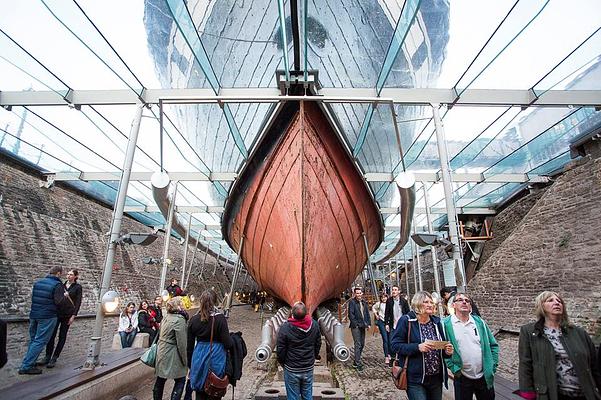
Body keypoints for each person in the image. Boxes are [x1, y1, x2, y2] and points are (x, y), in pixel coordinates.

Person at [518, 291, 601, 400]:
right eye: (550, 300)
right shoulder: (530, 332)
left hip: (584, 394)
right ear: (541, 306)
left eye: (559, 301)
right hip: (552, 394)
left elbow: (594, 364)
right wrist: (527, 392)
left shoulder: (579, 333)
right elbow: (525, 364)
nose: (557, 303)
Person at [390, 291, 454, 400]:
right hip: (415, 379)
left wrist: (447, 352)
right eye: (426, 302)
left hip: (436, 378)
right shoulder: (407, 321)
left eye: (431, 302)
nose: (430, 304)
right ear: (417, 303)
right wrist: (417, 347)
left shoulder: (436, 322)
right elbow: (395, 345)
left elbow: (442, 346)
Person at [443, 292, 498, 400]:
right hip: (462, 376)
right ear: (453, 305)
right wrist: (454, 368)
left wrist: (492, 366)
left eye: (467, 300)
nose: (464, 302)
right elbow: (443, 350)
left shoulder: (479, 322)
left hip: (484, 376)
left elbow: (493, 345)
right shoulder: (446, 324)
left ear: (470, 306)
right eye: (460, 300)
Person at [18, 266, 67, 375]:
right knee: (40, 340)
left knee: (33, 340)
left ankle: (29, 361)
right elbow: (59, 301)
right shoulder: (57, 285)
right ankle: (26, 366)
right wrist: (64, 296)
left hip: (34, 314)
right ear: (58, 273)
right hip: (47, 316)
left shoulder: (38, 283)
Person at [188, 290, 234, 399]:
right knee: (214, 387)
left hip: (198, 356)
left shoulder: (193, 320)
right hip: (215, 356)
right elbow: (228, 343)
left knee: (200, 391)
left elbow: (189, 346)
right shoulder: (220, 319)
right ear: (215, 301)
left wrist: (190, 365)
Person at [277, 301, 322, 400]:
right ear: (306, 313)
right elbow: (318, 343)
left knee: (293, 396)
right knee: (307, 394)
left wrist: (283, 363)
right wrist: (313, 357)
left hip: (291, 368)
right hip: (308, 367)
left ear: (292, 314)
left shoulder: (285, 328)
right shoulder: (314, 325)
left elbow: (280, 350)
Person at [44, 268, 82, 368]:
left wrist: (73, 315)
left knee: (62, 336)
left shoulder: (77, 287)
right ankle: (47, 356)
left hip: (68, 314)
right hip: (57, 313)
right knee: (52, 335)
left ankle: (55, 357)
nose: (68, 276)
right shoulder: (61, 285)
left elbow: (78, 302)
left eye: (71, 274)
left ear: (75, 276)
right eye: (68, 274)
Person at [154, 297, 188, 400]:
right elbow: (181, 343)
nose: (183, 305)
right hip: (172, 353)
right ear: (177, 306)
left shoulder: (166, 317)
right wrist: (185, 361)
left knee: (160, 378)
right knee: (180, 379)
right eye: (181, 303)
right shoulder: (179, 320)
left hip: (162, 350)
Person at [348, 287, 371, 371]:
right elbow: (351, 314)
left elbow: (367, 314)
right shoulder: (352, 302)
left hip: (363, 326)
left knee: (362, 343)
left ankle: (356, 360)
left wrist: (368, 324)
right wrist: (356, 324)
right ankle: (357, 363)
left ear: (362, 293)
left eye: (360, 293)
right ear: (354, 294)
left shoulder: (364, 303)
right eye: (357, 293)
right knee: (357, 344)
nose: (358, 294)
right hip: (356, 326)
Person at [372, 293, 391, 364]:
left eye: (385, 297)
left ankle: (390, 354)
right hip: (382, 322)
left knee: (390, 339)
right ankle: (386, 356)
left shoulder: (390, 303)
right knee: (385, 339)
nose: (384, 299)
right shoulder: (379, 304)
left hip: (389, 323)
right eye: (382, 297)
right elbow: (373, 307)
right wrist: (376, 315)